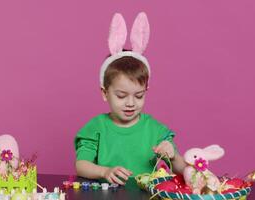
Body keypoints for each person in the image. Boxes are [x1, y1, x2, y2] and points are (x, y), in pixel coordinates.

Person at [74, 12, 186, 185]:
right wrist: (104, 171)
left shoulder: (155, 130)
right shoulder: (96, 128)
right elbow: (81, 165)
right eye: (121, 96)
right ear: (105, 93)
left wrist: (173, 155)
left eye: (139, 96)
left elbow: (181, 168)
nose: (131, 103)